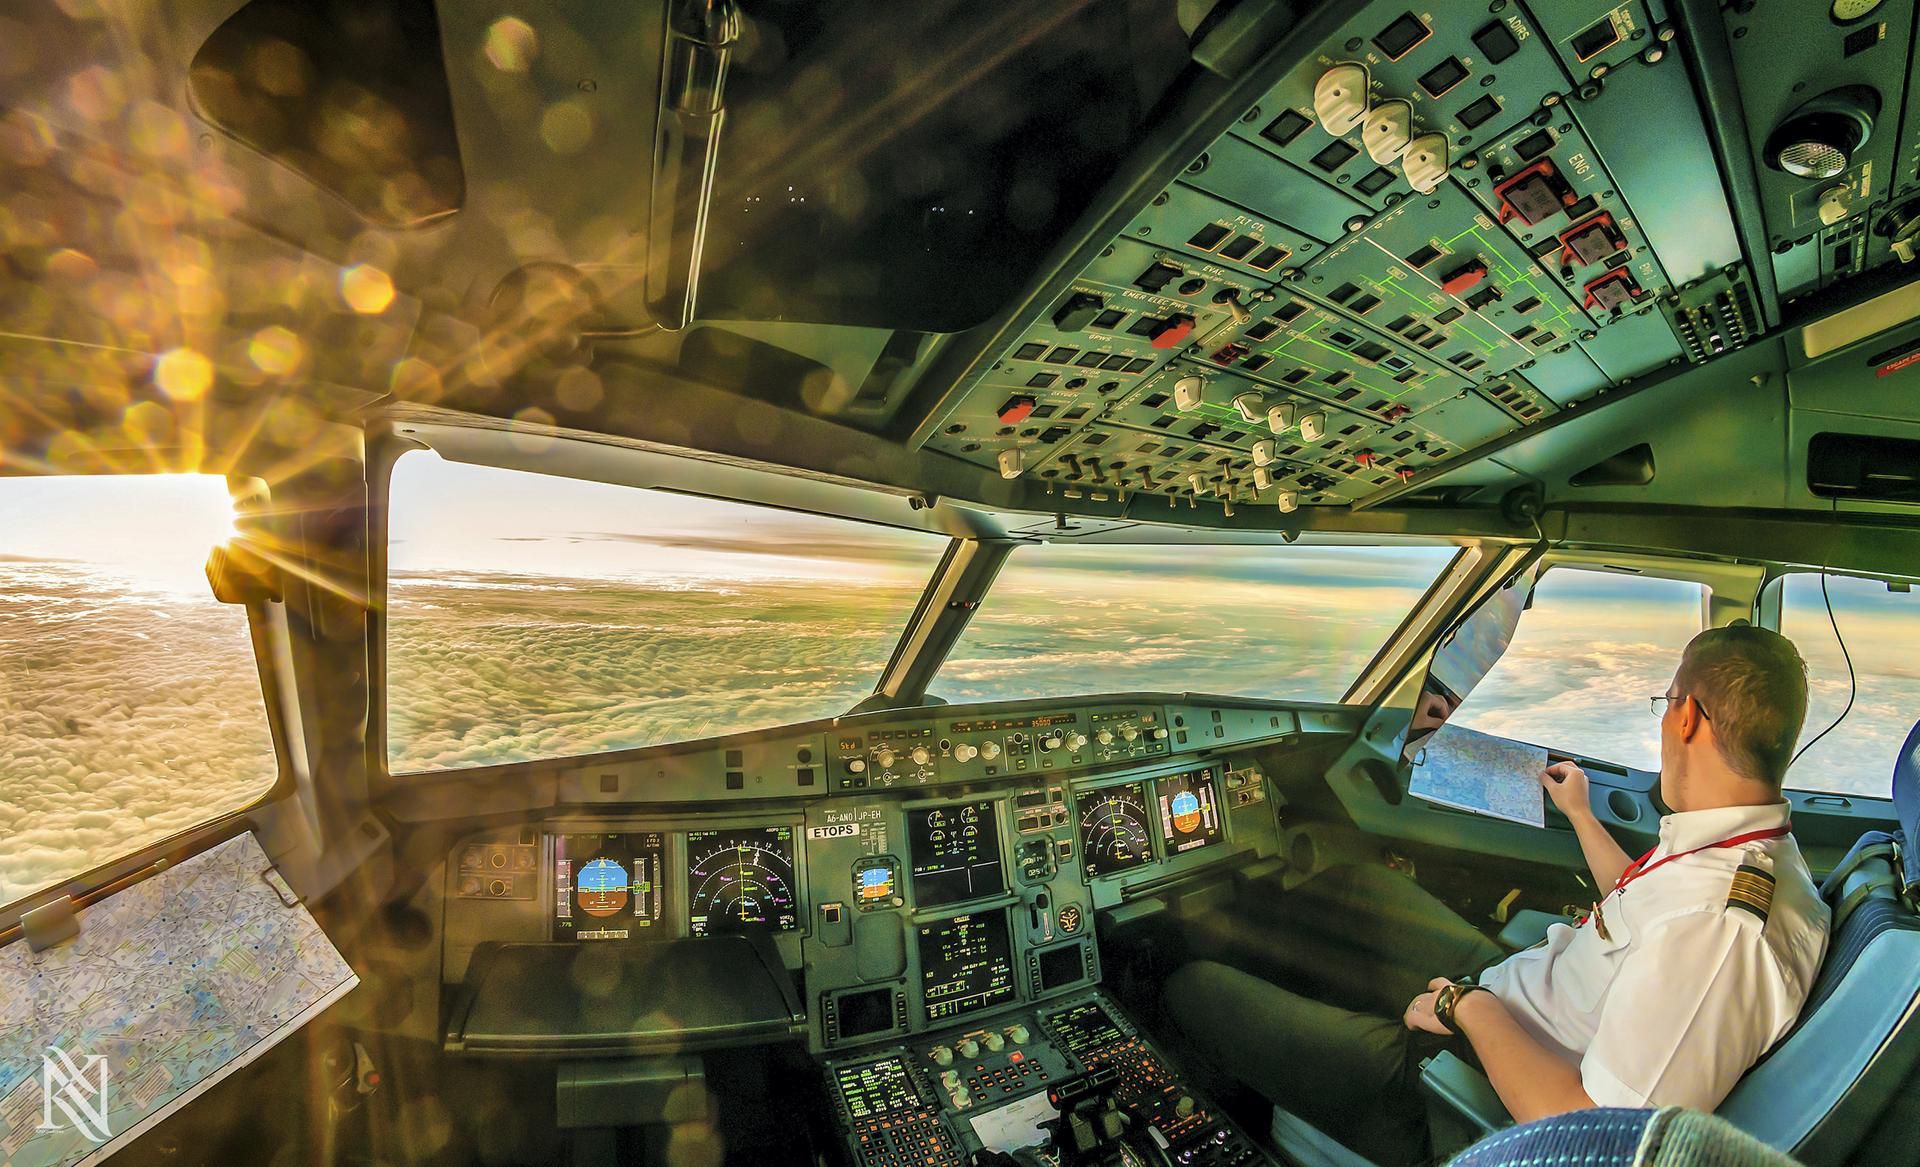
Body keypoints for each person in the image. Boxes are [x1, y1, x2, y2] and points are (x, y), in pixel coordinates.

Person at [1162, 626, 1831, 1164]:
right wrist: (1580, 814)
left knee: (1190, 988)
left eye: (1665, 703)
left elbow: (1593, 1135)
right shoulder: (1738, 849)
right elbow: (1644, 902)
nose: (1662, 720)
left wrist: (1463, 1005)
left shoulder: (1720, 929)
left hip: (1463, 1090)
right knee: (1352, 886)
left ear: (1686, 717)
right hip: (1513, 999)